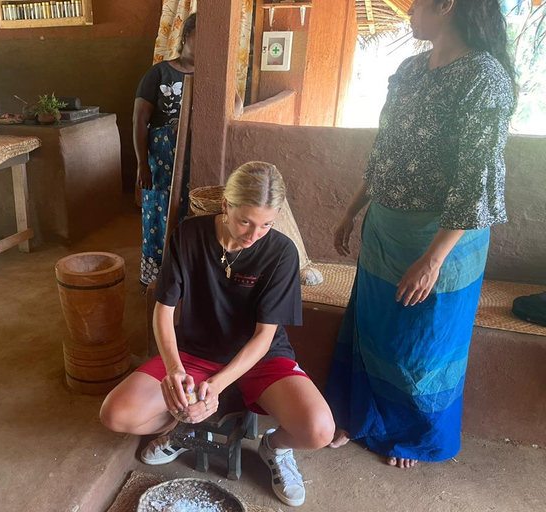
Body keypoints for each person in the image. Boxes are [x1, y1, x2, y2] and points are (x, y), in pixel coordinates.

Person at [326, 0, 516, 469]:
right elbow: (384, 150)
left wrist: (433, 260)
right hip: (384, 230)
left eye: (416, 3)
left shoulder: (484, 81)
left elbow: (475, 183)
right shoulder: (410, 70)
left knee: (423, 340)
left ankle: (411, 435)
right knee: (374, 327)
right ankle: (360, 417)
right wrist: (351, 210)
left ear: (446, 6)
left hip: (441, 239)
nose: (408, 9)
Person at [101, 162, 335, 507]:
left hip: (259, 356)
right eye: (245, 221)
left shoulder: (281, 252)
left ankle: (275, 447)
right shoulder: (188, 235)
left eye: (266, 224)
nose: (253, 235)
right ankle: (182, 427)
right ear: (226, 204)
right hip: (196, 350)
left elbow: (263, 337)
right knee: (115, 414)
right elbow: (163, 310)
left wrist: (219, 384)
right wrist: (175, 371)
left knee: (319, 430)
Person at [134, 14, 196, 286]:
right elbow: (140, 120)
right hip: (161, 159)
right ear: (185, 38)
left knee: (189, 215)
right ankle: (156, 281)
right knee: (158, 213)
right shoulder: (159, 73)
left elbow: (235, 105)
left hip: (193, 158)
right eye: (199, 37)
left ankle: (184, 278)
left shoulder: (211, 76)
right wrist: (142, 164)